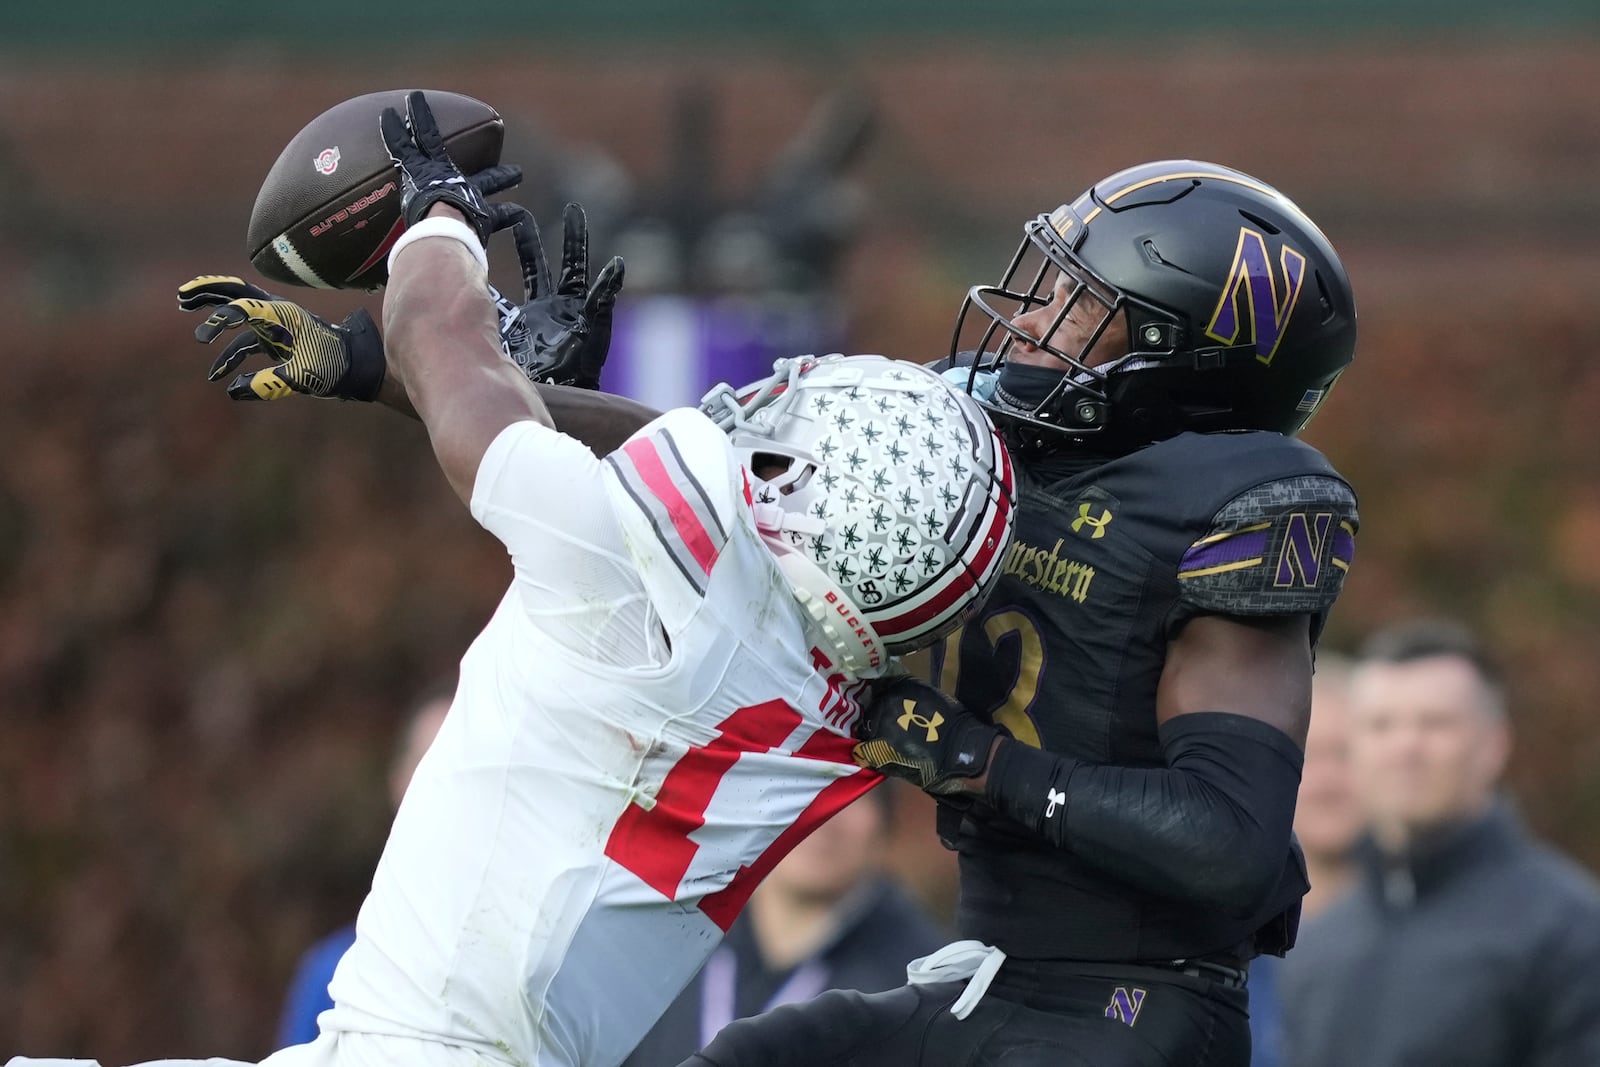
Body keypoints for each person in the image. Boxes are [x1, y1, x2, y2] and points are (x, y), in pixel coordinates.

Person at [6, 92, 1015, 1067]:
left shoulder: (631, 585)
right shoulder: (827, 678)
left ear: (795, 492)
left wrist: (432, 217)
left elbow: (449, 351)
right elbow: (680, 465)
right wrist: (432, 376)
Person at [679, 160, 1361, 1067]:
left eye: (1078, 306)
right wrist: (531, 400)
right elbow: (703, 473)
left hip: (1138, 1006)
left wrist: (980, 762)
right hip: (987, 982)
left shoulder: (1227, 507)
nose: (1033, 323)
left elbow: (1228, 839)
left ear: (1177, 357)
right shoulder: (976, 434)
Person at [1279, 619, 1600, 1067]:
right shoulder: (1317, 948)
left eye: (1436, 724)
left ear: (1493, 744)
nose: (1406, 746)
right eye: (1381, 725)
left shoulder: (1569, 932)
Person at [621, 785, 948, 1065]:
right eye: (807, 789)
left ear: (884, 822)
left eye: (854, 794)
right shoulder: (669, 938)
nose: (826, 819)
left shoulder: (922, 985)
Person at [275, 686, 453, 1048]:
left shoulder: (548, 963)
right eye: (427, 761)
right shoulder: (333, 972)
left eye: (459, 762)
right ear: (397, 781)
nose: (443, 783)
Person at [1246, 654, 1359, 1067]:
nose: (1329, 781)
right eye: (1308, 755)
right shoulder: (1223, 935)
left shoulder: (1429, 933)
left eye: (1347, 754)